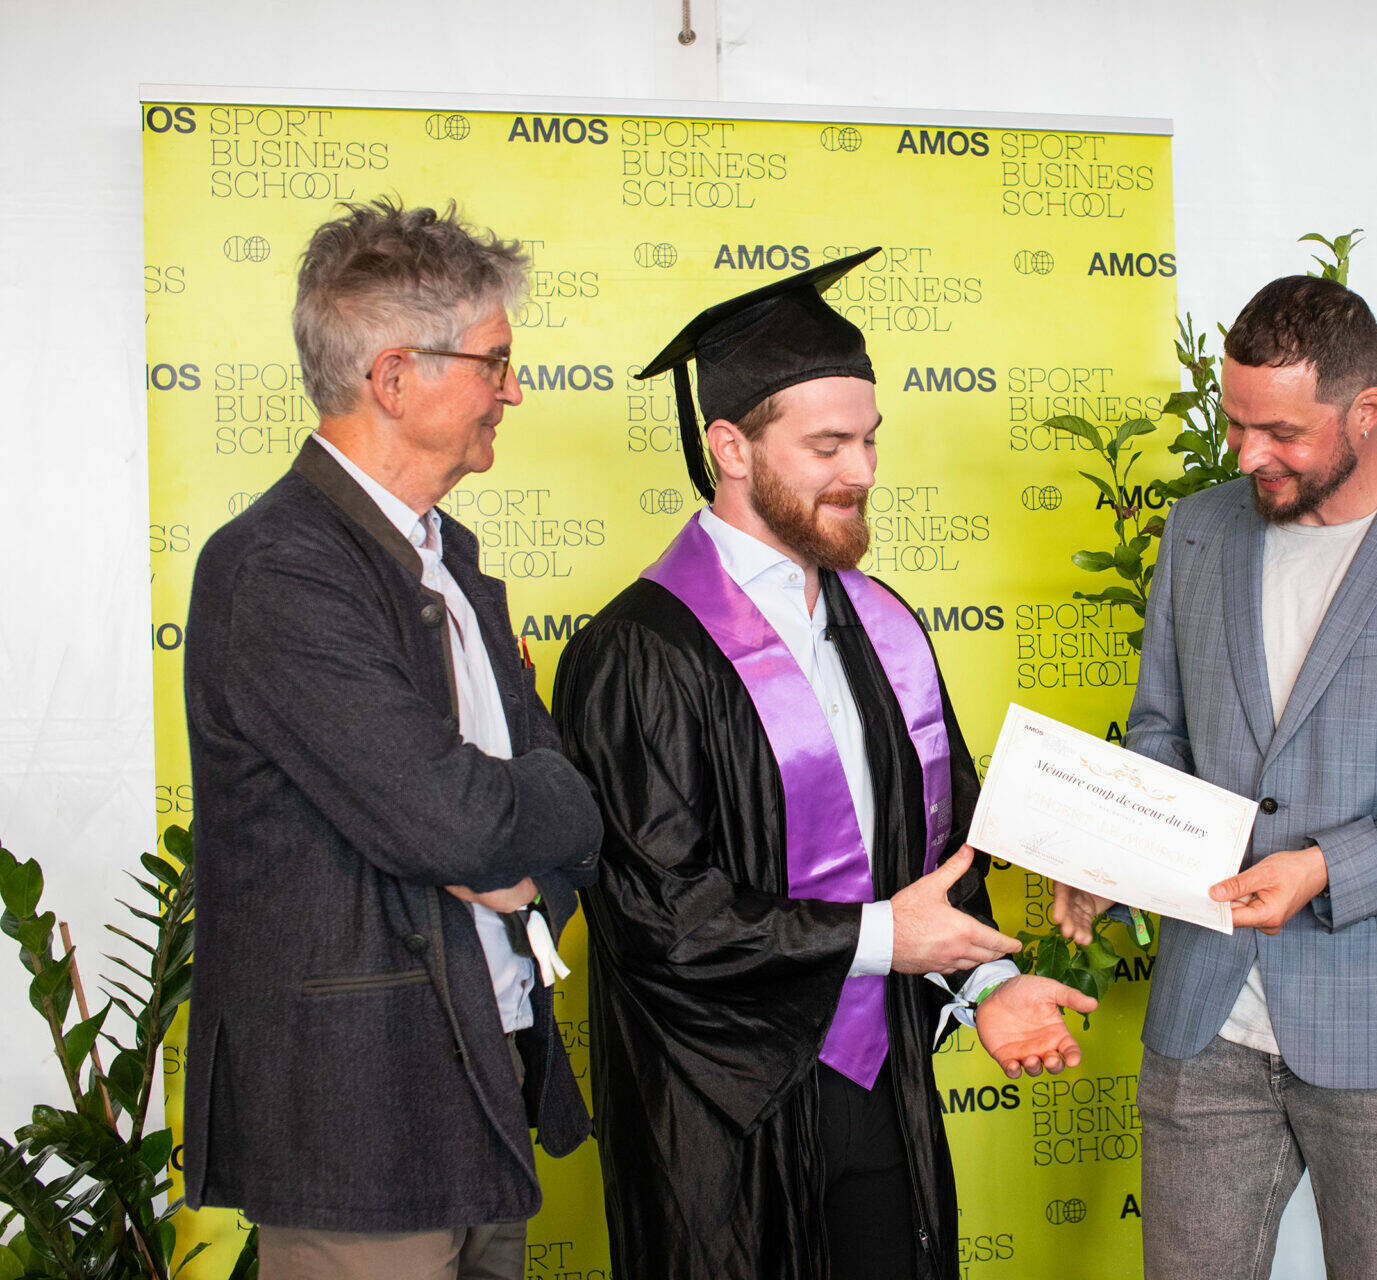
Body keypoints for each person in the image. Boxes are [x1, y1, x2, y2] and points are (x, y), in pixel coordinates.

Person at [551, 248, 1097, 1280]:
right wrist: (890, 936)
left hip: (880, 1092)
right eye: (827, 444)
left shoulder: (885, 625)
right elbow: (657, 914)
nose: (863, 471)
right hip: (722, 1125)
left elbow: (942, 852)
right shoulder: (641, 652)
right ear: (732, 446)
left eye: (871, 439)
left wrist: (987, 982)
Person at [1054, 274, 1377, 1279]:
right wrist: (1124, 852)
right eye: (1235, 424)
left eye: (1278, 430)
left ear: (1365, 411)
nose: (1248, 454)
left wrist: (1324, 867)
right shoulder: (1199, 529)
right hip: (1206, 1016)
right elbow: (1162, 730)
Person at [180, 199, 603, 1280]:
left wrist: (525, 848)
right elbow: (456, 815)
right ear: (396, 376)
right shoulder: (279, 567)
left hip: (484, 1079)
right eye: (495, 362)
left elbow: (561, 803)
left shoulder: (448, 559)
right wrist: (511, 825)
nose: (515, 389)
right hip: (362, 1122)